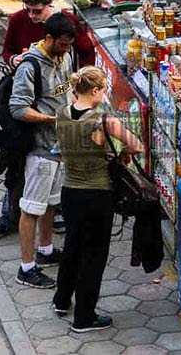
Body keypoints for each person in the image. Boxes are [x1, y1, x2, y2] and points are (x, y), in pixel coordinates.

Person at [0, 0, 95, 242]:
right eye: (29, 10)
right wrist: (16, 60)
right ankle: (9, 216)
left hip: (53, 107)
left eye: (38, 10)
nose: (33, 16)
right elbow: (7, 52)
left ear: (49, 5)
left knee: (55, 167)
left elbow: (86, 51)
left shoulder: (63, 23)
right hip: (26, 107)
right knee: (17, 162)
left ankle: (54, 217)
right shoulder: (17, 21)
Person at [52, 66, 143, 332]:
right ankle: (84, 316)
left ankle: (61, 300)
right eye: (104, 90)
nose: (105, 95)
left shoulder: (60, 115)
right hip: (97, 194)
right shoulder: (103, 120)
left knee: (72, 246)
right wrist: (124, 153)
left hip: (69, 191)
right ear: (95, 91)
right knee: (93, 256)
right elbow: (137, 145)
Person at [10, 13, 76, 288]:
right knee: (32, 208)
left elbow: (66, 91)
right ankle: (26, 268)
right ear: (48, 38)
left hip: (60, 147)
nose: (66, 51)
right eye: (61, 45)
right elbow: (18, 108)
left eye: (69, 45)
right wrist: (51, 120)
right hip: (40, 149)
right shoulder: (30, 67)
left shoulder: (66, 56)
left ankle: (46, 250)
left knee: (51, 202)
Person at [2, 0, 95, 69]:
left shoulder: (67, 20)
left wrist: (84, 76)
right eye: (27, 10)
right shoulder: (17, 19)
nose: (31, 16)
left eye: (37, 11)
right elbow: (7, 50)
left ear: (50, 2)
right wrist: (13, 60)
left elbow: (86, 50)